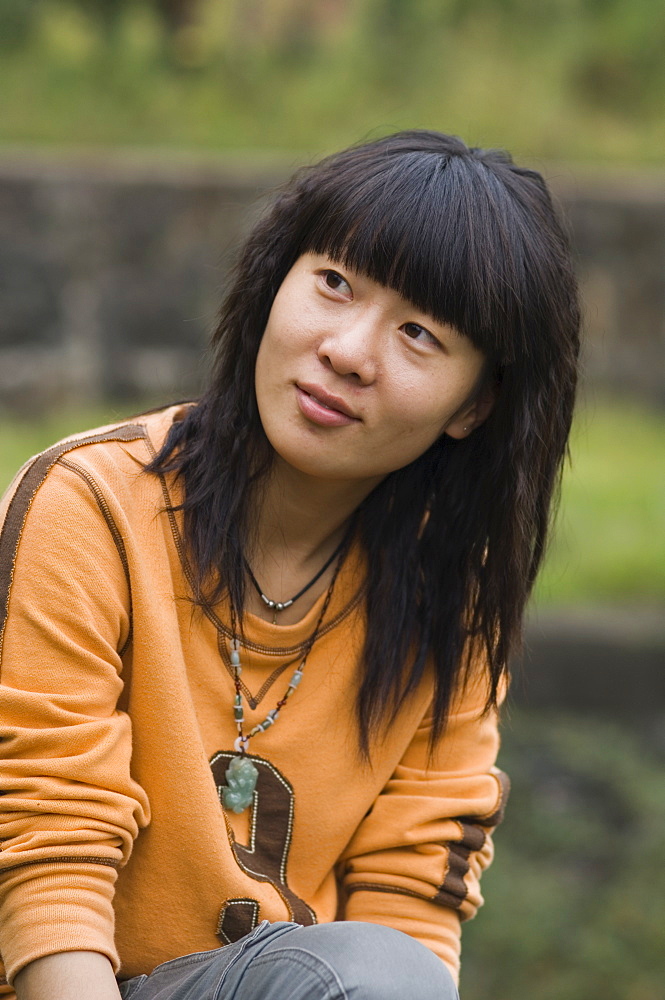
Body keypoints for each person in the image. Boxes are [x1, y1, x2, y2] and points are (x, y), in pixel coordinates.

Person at [0, 130, 580, 1000]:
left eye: (419, 333)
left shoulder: (446, 600)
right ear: (277, 281)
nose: (347, 349)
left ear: (475, 404)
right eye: (334, 284)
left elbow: (409, 911)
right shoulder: (91, 505)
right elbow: (46, 850)